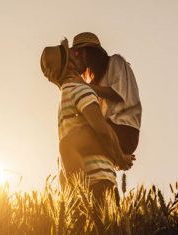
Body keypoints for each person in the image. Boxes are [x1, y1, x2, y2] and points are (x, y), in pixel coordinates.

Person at [40, 39, 134, 200]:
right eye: (72, 54)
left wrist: (120, 158)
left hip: (94, 184)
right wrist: (120, 158)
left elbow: (98, 130)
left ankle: (78, 199)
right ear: (69, 65)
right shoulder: (76, 90)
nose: (76, 55)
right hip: (97, 183)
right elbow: (101, 128)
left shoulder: (72, 93)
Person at [72, 32, 142, 155]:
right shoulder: (95, 81)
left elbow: (117, 93)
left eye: (80, 53)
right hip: (111, 128)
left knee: (72, 144)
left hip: (124, 129)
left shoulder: (115, 61)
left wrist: (84, 86)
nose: (78, 58)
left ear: (91, 52)